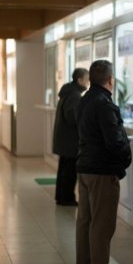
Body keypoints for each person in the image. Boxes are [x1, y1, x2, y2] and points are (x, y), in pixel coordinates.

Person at [75, 60, 131, 264]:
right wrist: (125, 159)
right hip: (102, 172)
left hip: (84, 168)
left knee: (85, 222)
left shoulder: (83, 100)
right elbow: (115, 141)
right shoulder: (105, 104)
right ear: (110, 80)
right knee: (102, 226)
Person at [53, 68, 89, 206]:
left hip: (65, 139)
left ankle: (61, 197)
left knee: (64, 169)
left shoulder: (68, 92)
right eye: (87, 79)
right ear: (79, 80)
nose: (88, 82)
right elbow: (72, 117)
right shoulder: (74, 95)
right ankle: (67, 198)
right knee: (69, 171)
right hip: (70, 141)